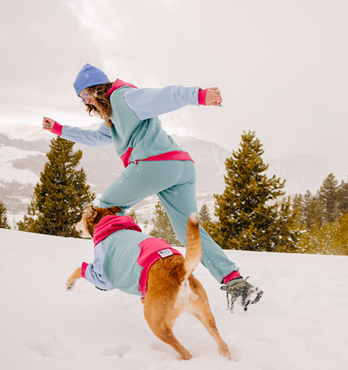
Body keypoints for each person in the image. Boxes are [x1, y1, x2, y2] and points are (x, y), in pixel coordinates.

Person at [43, 63, 263, 311]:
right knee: (189, 232)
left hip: (154, 165)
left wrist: (199, 95)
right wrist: (59, 129)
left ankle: (106, 270)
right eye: (82, 99)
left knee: (104, 209)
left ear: (96, 87)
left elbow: (162, 97)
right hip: (180, 167)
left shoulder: (124, 97)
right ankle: (235, 283)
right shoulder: (113, 117)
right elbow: (93, 138)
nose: (87, 102)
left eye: (85, 94)